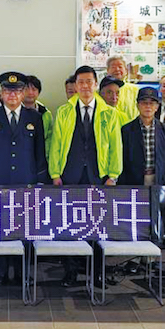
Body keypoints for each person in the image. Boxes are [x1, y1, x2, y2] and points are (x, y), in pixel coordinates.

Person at [49, 66, 122, 287]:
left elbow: (115, 147)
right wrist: (55, 173)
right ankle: (70, 271)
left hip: (98, 175)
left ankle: (97, 272)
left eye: (89, 81)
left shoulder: (109, 113)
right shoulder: (64, 111)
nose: (85, 86)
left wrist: (113, 175)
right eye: (80, 82)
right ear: (75, 85)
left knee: (98, 224)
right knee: (69, 223)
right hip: (70, 175)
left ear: (96, 84)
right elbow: (56, 144)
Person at [0, 71, 49, 285]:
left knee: (24, 225)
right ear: (1, 93)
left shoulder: (34, 117)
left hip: (25, 180)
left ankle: (22, 272)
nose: (12, 95)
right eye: (8, 91)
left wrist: (40, 179)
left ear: (23, 93)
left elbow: (39, 151)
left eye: (17, 91)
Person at [119, 87, 165, 247]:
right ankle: (136, 254)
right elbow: (122, 160)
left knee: (156, 218)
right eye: (144, 103)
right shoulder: (127, 130)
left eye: (152, 103)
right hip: (134, 181)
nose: (148, 106)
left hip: (157, 180)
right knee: (135, 218)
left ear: (157, 107)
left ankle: (153, 255)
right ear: (138, 105)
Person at [23, 75, 53, 156]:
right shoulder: (14, 111)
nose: (30, 92)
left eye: (34, 89)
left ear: (38, 92)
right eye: (26, 89)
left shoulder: (46, 114)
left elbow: (49, 140)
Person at [106, 55, 139, 120]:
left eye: (120, 67)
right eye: (113, 67)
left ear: (126, 70)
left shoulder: (135, 90)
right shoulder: (101, 90)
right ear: (107, 70)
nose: (117, 69)